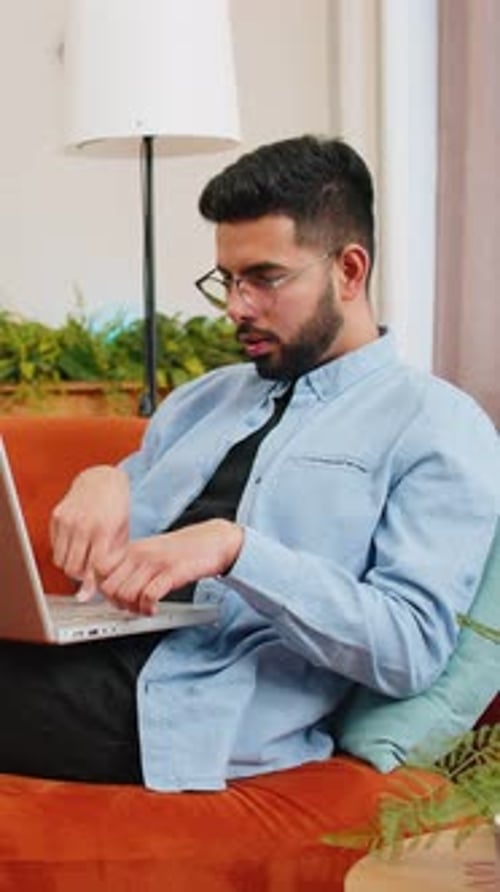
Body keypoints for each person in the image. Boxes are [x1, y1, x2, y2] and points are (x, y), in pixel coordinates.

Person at [0, 135, 498, 792]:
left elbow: (410, 648)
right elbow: (117, 525)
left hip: (180, 710)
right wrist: (103, 478)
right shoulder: (207, 399)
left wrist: (236, 551)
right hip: (90, 656)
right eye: (228, 281)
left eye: (264, 278)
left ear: (349, 270)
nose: (237, 307)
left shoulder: (437, 422)